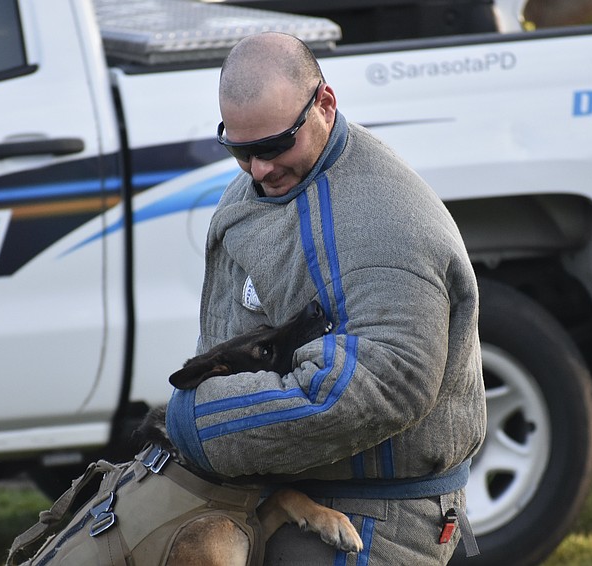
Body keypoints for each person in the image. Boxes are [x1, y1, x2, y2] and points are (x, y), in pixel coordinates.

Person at [166, 31, 486, 565]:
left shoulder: (385, 220)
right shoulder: (259, 191)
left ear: (325, 104)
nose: (260, 170)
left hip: (373, 515)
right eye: (241, 151)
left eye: (273, 147)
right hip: (270, 494)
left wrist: (201, 423)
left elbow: (388, 382)